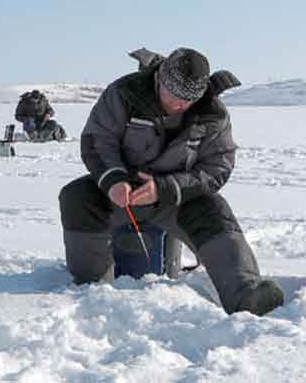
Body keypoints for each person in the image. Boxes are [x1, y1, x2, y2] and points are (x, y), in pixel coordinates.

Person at [59, 47, 284, 316]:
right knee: (76, 197)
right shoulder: (124, 93)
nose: (179, 105)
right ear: (160, 80)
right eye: (173, 96)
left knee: (215, 211)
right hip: (123, 193)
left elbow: (217, 167)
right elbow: (98, 140)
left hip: (177, 198)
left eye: (187, 100)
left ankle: (245, 293)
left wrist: (166, 189)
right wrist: (113, 179)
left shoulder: (214, 115)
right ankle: (91, 290)